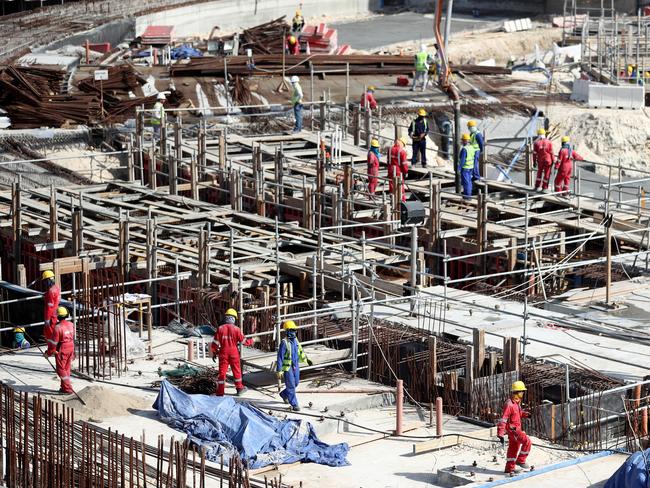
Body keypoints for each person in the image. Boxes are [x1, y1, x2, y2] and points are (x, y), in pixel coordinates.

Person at [497, 381, 532, 474]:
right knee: (527, 442)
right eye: (522, 391)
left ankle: (509, 468)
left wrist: (525, 414)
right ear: (518, 392)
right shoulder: (509, 404)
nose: (523, 393)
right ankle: (521, 460)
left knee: (513, 448)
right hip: (514, 430)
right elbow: (503, 419)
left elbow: (517, 414)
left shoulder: (516, 402)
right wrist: (500, 433)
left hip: (514, 430)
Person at [276, 320, 312, 411]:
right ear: (287, 331)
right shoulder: (284, 343)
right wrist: (279, 370)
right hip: (288, 367)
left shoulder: (296, 340)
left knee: (296, 383)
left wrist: (306, 359)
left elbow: (300, 351)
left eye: (294, 330)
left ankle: (284, 394)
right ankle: (294, 404)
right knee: (291, 385)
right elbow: (280, 357)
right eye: (291, 330)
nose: (293, 332)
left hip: (296, 365)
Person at [210, 308, 247, 396]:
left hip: (223, 353)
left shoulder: (220, 329)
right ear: (234, 318)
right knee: (236, 371)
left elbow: (215, 343)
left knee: (222, 373)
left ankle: (220, 392)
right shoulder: (237, 329)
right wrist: (253, 340)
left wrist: (214, 352)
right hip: (234, 353)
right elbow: (243, 341)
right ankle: (239, 389)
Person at [46, 307, 75, 394]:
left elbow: (54, 343)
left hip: (63, 349)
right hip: (71, 346)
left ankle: (68, 388)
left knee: (61, 369)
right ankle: (64, 387)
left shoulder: (58, 327)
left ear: (57, 317)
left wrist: (49, 353)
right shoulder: (71, 324)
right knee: (66, 368)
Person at [388, 136, 409, 202]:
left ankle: (392, 200)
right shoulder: (402, 152)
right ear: (402, 143)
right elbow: (404, 164)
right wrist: (406, 171)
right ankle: (402, 201)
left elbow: (388, 160)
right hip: (398, 171)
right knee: (400, 186)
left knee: (391, 185)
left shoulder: (390, 149)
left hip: (390, 169)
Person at [458, 133, 478, 199]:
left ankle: (467, 197)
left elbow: (462, 160)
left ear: (465, 140)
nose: (462, 141)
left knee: (466, 183)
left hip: (465, 168)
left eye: (463, 140)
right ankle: (469, 195)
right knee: (469, 182)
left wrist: (459, 168)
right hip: (470, 167)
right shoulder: (472, 147)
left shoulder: (464, 149)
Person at [42, 270, 60, 342]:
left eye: (45, 281)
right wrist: (46, 295)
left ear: (48, 280)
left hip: (51, 316)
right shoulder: (56, 288)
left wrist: (47, 319)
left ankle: (52, 350)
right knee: (53, 333)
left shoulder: (51, 292)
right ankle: (53, 349)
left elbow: (49, 307)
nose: (45, 283)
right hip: (55, 314)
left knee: (49, 334)